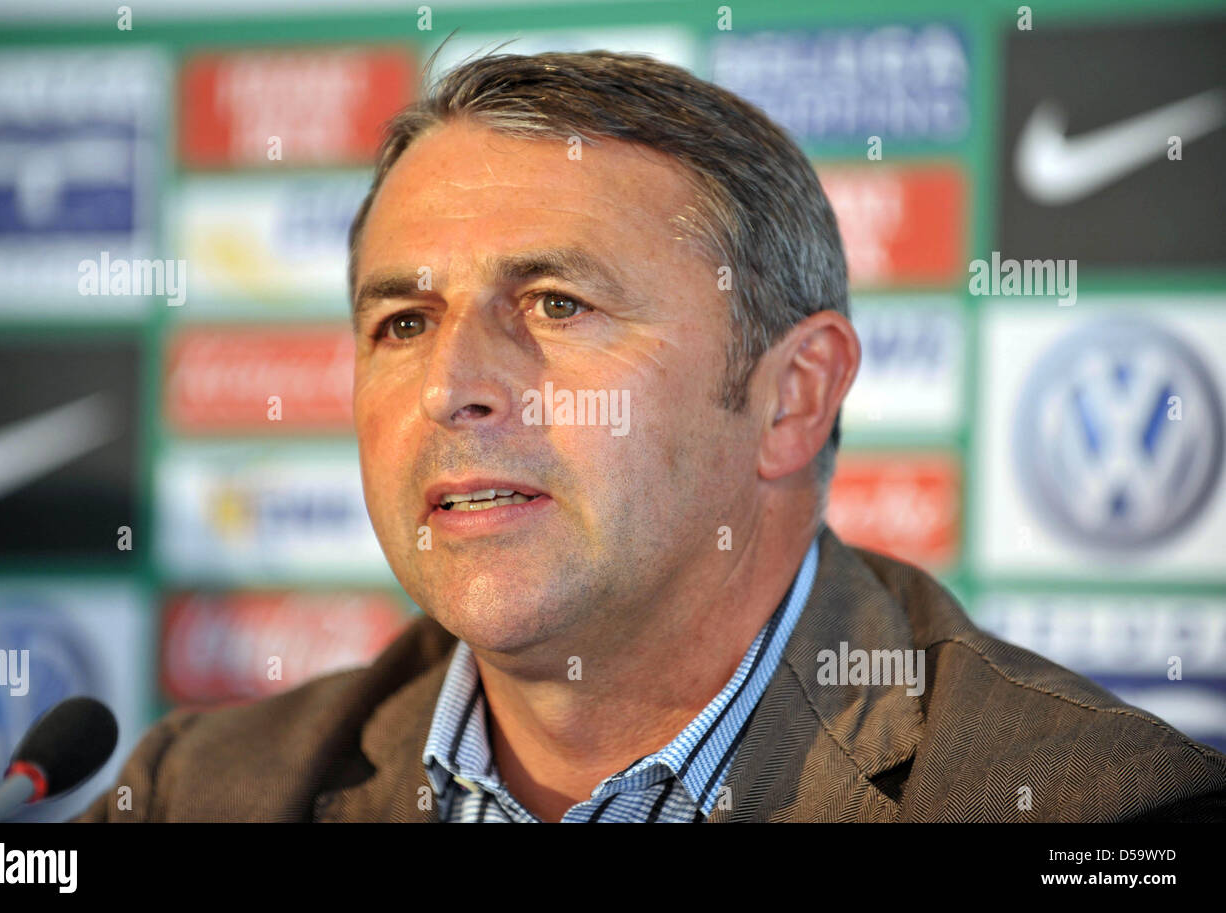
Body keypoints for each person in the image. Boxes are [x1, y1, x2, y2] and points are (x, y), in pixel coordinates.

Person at [74, 49, 1226, 823]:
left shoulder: (1100, 806)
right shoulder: (205, 792)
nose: (451, 387)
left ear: (792, 396)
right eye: (404, 320)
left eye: (556, 305)